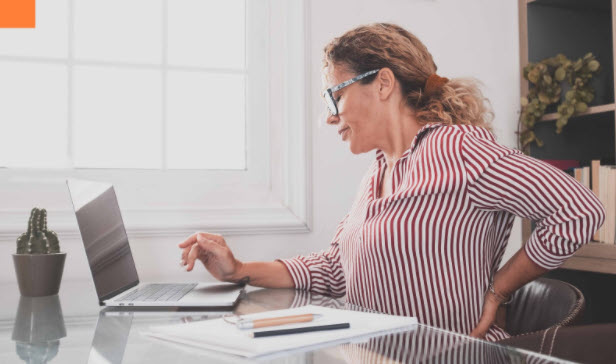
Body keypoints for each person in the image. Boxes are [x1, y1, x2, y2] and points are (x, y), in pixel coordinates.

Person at [178, 23, 605, 342]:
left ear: (382, 83)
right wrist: (238, 270)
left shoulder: (455, 149)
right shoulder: (379, 171)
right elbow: (334, 269)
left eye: (334, 96)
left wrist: (499, 288)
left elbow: (580, 211)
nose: (330, 116)